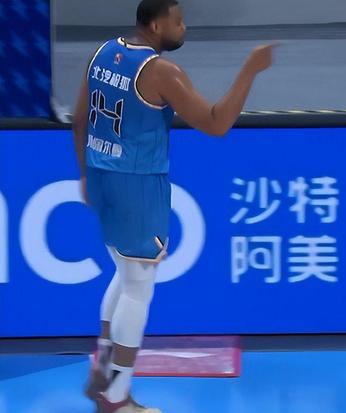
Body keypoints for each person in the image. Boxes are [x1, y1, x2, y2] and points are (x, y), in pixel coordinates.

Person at [71, 1, 274, 411]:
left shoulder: (103, 52)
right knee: (139, 287)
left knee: (124, 272)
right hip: (138, 185)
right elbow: (216, 122)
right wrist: (250, 71)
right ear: (155, 24)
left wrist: (85, 175)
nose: (184, 28)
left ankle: (103, 372)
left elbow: (79, 119)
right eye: (178, 21)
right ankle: (116, 397)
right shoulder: (162, 71)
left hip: (103, 175)